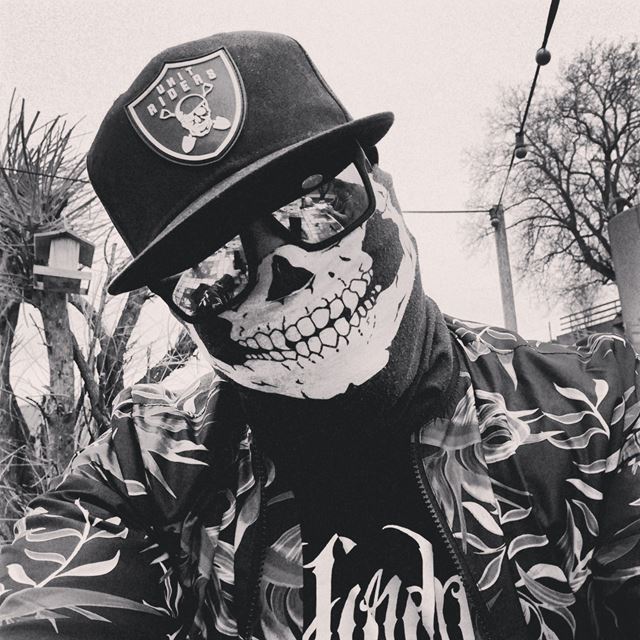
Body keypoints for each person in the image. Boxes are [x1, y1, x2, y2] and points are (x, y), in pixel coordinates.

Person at [0, 30, 639, 640]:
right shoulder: (147, 472)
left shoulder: (594, 408)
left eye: (316, 202)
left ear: (382, 188)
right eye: (210, 265)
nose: (285, 274)